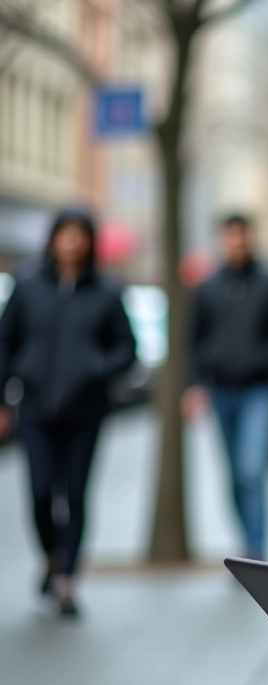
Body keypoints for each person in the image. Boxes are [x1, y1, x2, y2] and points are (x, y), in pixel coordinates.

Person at [0, 209, 136, 617]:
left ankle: (65, 580)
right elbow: (5, 344)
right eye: (65, 234)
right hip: (37, 409)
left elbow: (127, 349)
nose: (72, 243)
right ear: (54, 238)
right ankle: (52, 556)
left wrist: (97, 369)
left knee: (75, 494)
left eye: (80, 235)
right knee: (41, 492)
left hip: (85, 412)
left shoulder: (107, 293)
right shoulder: (27, 286)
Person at [183, 214, 268, 561]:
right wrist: (193, 385)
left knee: (252, 469)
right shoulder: (208, 287)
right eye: (230, 236)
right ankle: (246, 540)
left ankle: (258, 548)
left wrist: (267, 362)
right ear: (222, 239)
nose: (236, 242)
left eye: (241, 235)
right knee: (233, 475)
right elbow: (194, 340)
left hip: (258, 390)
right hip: (221, 391)